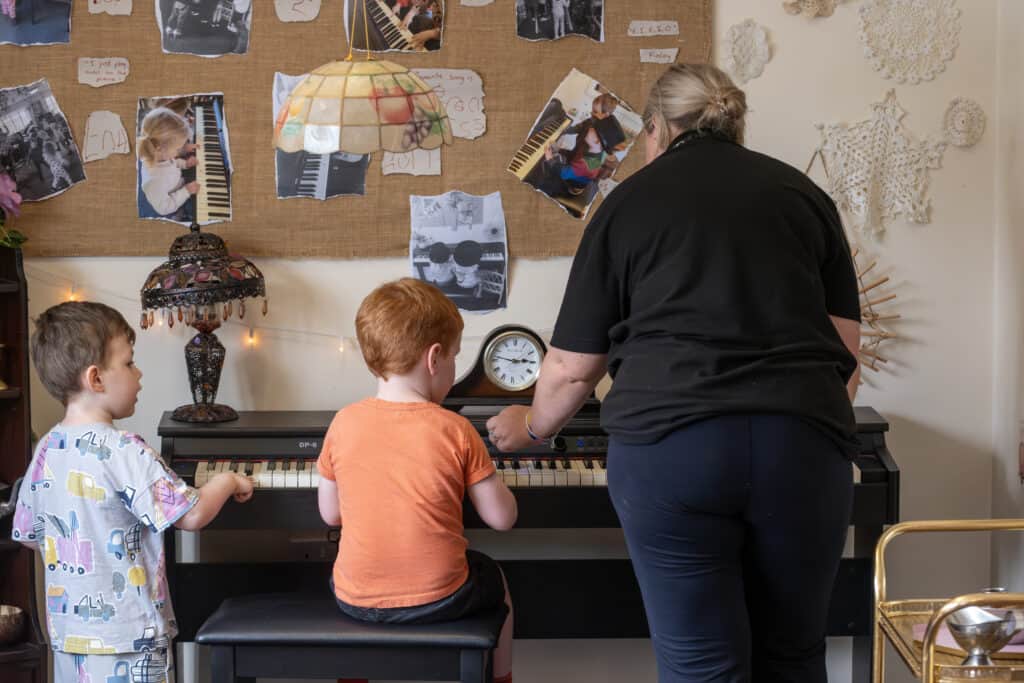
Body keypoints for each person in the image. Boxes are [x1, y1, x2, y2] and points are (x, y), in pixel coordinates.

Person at [486, 63, 862, 683]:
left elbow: (573, 370)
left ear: (657, 129)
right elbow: (844, 351)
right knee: (794, 654)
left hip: (672, 452)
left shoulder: (626, 204)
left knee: (700, 665)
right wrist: (810, 428)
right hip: (801, 450)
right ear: (734, 126)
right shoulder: (803, 196)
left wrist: (533, 427)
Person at [11, 301, 254, 683]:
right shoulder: (124, 450)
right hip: (132, 639)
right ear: (96, 379)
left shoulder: (46, 451)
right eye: (129, 363)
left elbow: (28, 535)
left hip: (71, 641)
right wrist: (226, 482)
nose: (139, 374)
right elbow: (190, 515)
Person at [317, 278, 516, 683]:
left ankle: (352, 675)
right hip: (439, 599)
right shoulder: (456, 428)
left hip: (352, 600)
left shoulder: (343, 422)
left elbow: (330, 514)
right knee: (498, 580)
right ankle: (502, 678)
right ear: (435, 358)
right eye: (456, 357)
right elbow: (502, 519)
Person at [137, 107, 199, 218]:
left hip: (175, 181)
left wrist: (185, 164)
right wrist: (186, 191)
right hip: (171, 202)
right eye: (178, 148)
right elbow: (164, 208)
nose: (181, 150)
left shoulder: (160, 155)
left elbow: (171, 162)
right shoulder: (154, 182)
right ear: (160, 148)